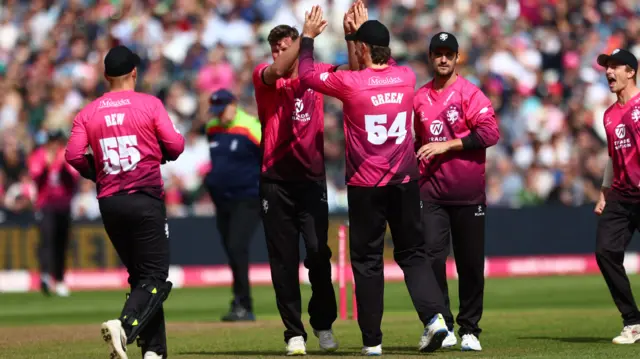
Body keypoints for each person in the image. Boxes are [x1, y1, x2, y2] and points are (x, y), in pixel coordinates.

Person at [298, 6, 448, 355]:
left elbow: (306, 75)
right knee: (413, 254)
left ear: (363, 49)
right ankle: (435, 319)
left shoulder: (352, 84)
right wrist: (360, 34)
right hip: (405, 182)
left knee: (366, 262)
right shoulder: (407, 77)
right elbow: (375, 65)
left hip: (367, 186)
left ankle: (372, 342)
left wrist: (307, 37)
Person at [251, 2, 360, 355]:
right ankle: (293, 333)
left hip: (311, 180)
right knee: (282, 260)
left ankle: (323, 325)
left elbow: (356, 73)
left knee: (318, 254)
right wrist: (306, 36)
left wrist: (351, 36)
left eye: (286, 46)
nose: (280, 54)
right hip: (275, 181)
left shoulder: (315, 75)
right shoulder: (265, 77)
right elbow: (278, 69)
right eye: (276, 49)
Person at [65, 45, 185, 359]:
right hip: (144, 197)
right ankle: (124, 327)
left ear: (105, 76)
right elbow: (175, 144)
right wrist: (162, 153)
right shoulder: (149, 104)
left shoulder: (88, 112)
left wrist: (98, 174)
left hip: (110, 202)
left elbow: (73, 155)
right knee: (156, 277)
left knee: (141, 277)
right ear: (134, 72)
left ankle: (154, 350)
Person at [412, 32, 500, 352]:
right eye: (438, 53)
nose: (444, 59)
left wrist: (447, 145)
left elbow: (490, 132)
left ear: (457, 57)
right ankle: (443, 325)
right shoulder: (419, 97)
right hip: (431, 193)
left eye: (449, 53)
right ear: (431, 56)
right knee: (432, 260)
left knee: (470, 264)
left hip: (468, 194)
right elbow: (413, 141)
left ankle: (470, 329)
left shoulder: (470, 93)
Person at [594, 48, 640, 345]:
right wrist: (604, 192)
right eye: (607, 67)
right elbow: (614, 156)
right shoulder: (609, 115)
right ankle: (633, 322)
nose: (609, 71)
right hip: (622, 197)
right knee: (605, 252)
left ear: (631, 71)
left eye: (615, 66)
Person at [204, 88, 262, 322]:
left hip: (248, 197)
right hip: (222, 199)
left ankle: (244, 304)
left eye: (223, 109)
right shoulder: (212, 128)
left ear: (233, 105)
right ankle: (239, 301)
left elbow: (268, 154)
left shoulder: (250, 127)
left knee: (237, 246)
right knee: (231, 249)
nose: (220, 115)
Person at [28, 129, 80, 298]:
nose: (55, 144)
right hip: (46, 205)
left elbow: (74, 176)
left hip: (63, 205)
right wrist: (47, 163)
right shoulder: (39, 155)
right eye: (52, 141)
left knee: (61, 243)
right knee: (46, 240)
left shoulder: (67, 155)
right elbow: (36, 175)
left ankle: (59, 279)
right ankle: (45, 276)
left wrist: (63, 162)